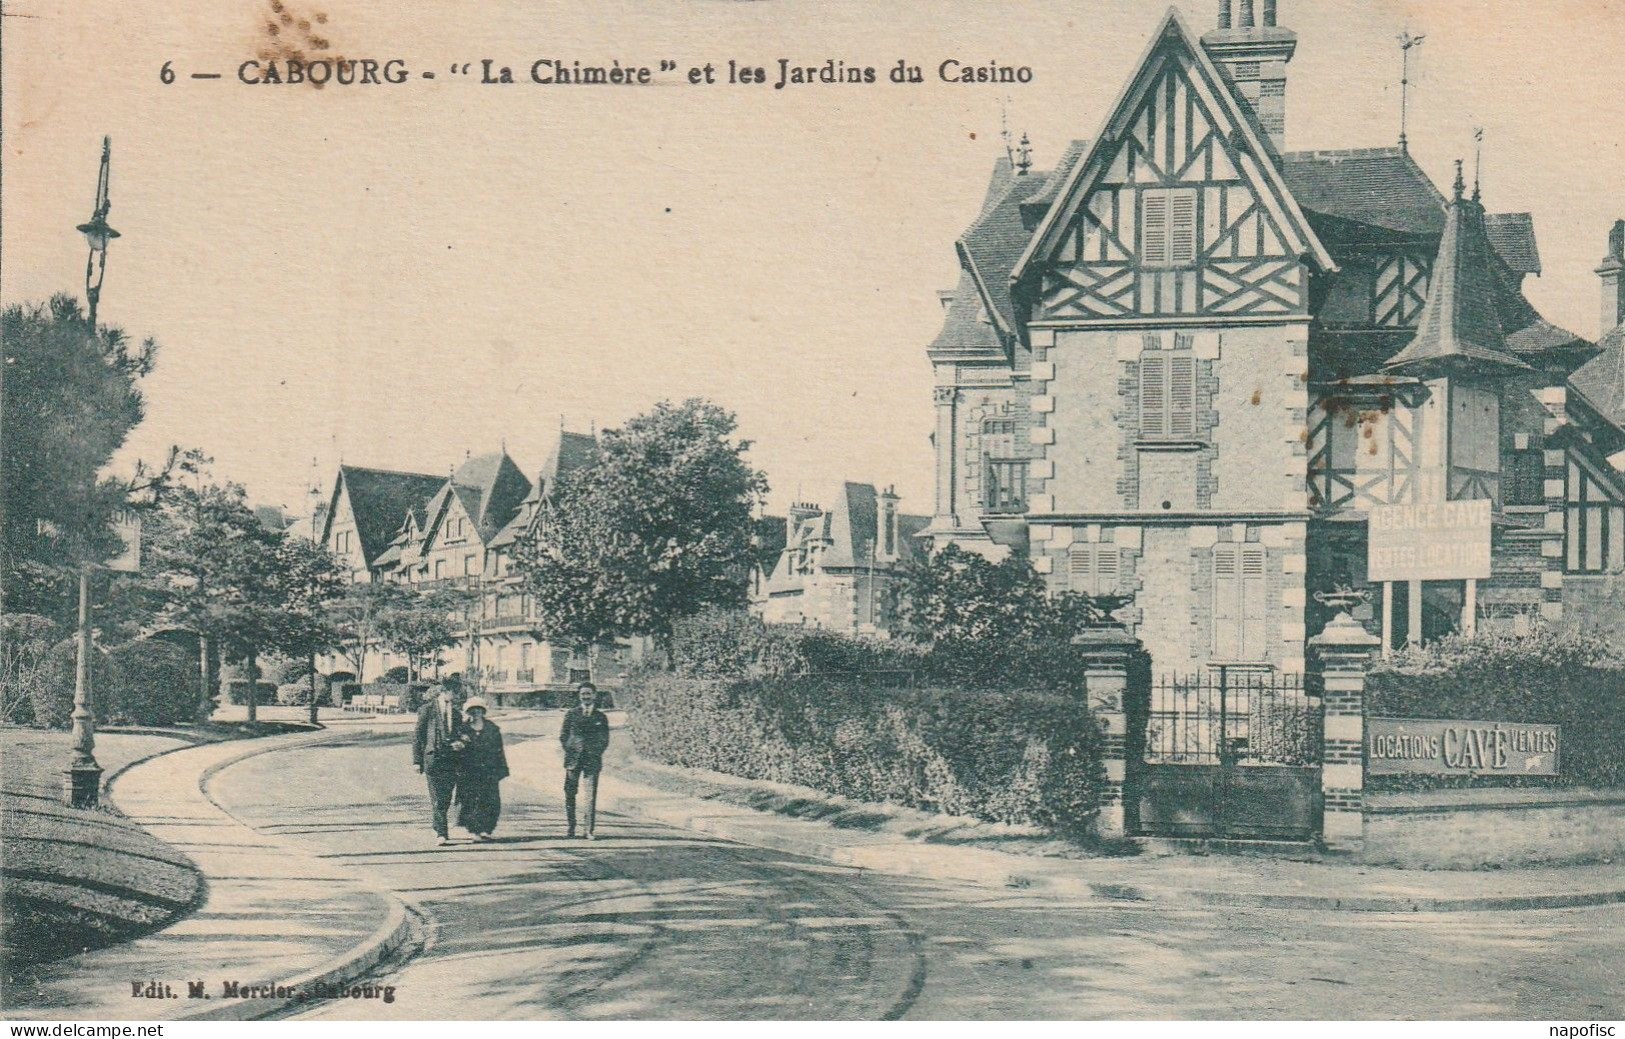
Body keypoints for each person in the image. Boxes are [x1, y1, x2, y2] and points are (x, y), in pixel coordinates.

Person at [413, 686, 466, 846]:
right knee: (437, 797)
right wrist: (417, 760)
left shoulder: (456, 713)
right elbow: (418, 735)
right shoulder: (427, 710)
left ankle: (437, 825)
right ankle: (441, 833)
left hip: (451, 760)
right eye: (454, 691)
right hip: (433, 759)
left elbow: (461, 734)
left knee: (446, 797)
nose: (456, 695)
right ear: (444, 691)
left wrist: (461, 743)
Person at [560, 682, 610, 839]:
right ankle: (571, 827)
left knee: (590, 796)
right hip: (573, 760)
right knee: (570, 793)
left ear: (594, 695)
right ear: (579, 696)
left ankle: (588, 830)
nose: (586, 697)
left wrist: (595, 752)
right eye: (583, 694)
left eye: (589, 694)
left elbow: (604, 739)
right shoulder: (571, 714)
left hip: (592, 760)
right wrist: (571, 748)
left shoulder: (601, 717)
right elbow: (563, 736)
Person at [455, 697, 509, 840]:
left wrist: (501, 768)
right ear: (469, 712)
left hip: (489, 770)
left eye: (479, 710)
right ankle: (475, 830)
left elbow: (499, 749)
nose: (476, 712)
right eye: (473, 710)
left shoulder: (492, 728)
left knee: (490, 799)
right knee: (472, 800)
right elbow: (457, 750)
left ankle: (486, 829)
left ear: (483, 711)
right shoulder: (463, 729)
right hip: (469, 771)